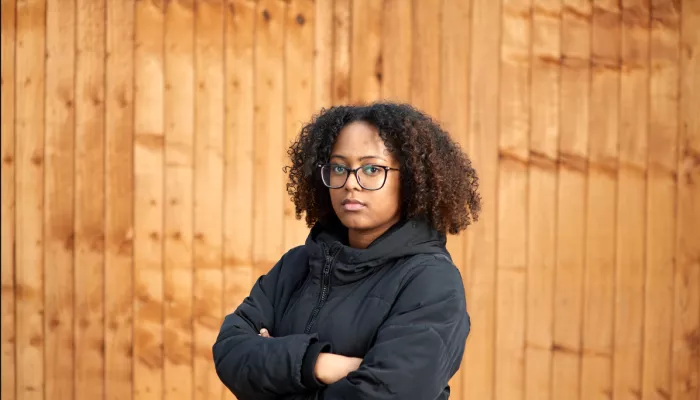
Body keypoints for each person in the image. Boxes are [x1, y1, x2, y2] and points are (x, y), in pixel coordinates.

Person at [212, 102, 481, 399]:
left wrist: (274, 369)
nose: (351, 184)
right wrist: (315, 364)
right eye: (339, 167)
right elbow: (230, 350)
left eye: (371, 169)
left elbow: (387, 394)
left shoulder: (431, 282)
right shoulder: (296, 265)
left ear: (412, 181)